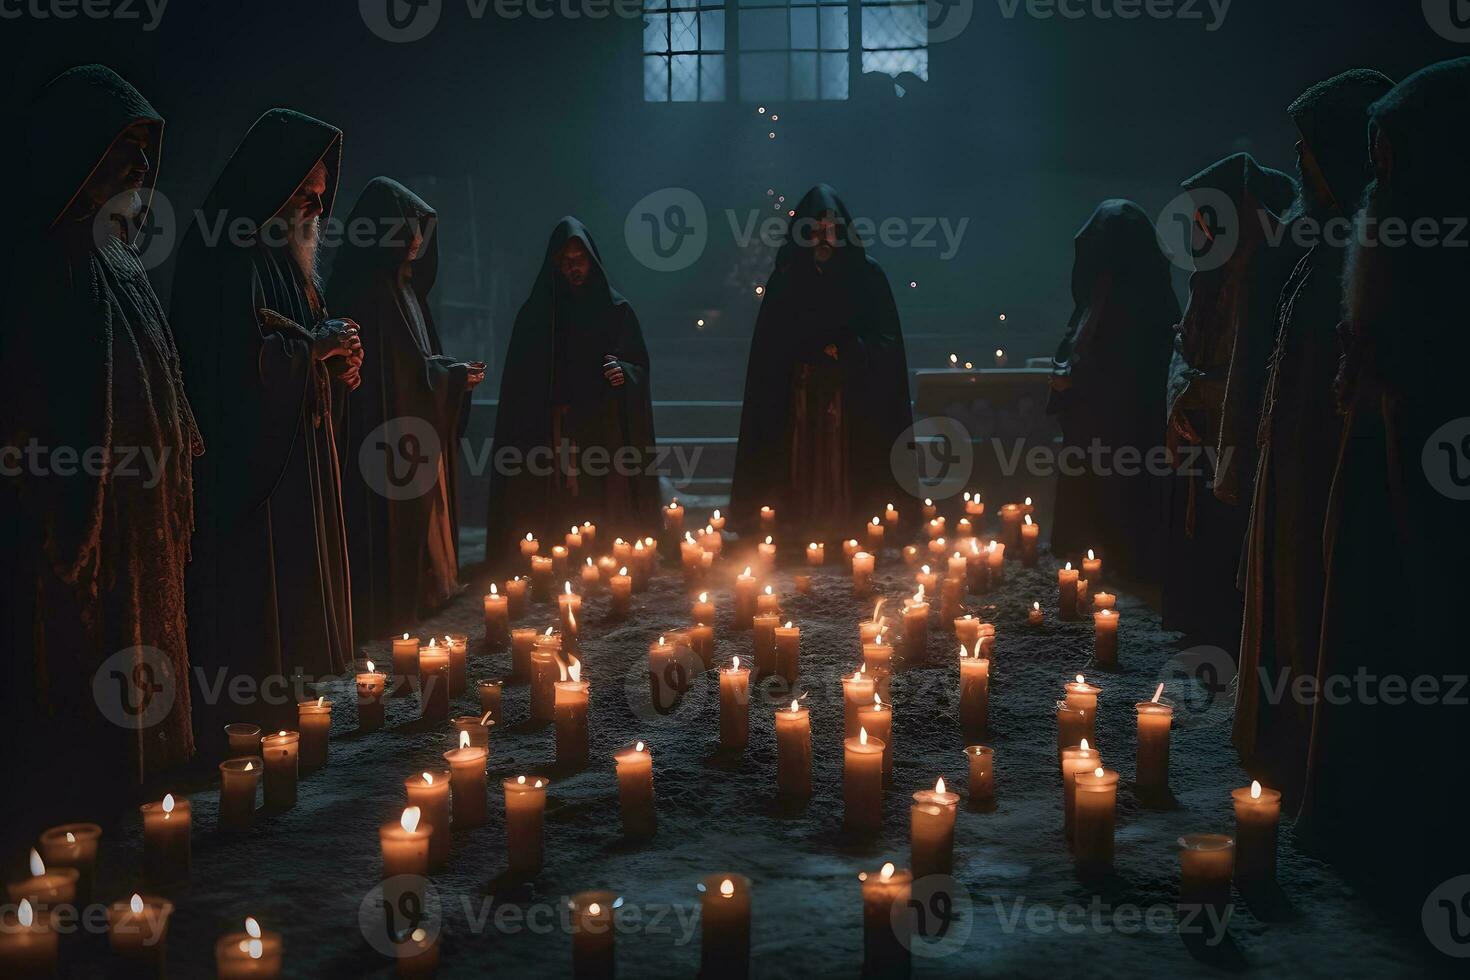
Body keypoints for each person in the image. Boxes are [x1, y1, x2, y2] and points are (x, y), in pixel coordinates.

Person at [0, 65, 201, 839]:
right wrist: (64, 505)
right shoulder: (47, 263)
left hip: (142, 509)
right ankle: (84, 805)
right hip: (86, 521)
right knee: (90, 660)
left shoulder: (116, 257)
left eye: (147, 156)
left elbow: (160, 372)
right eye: (126, 150)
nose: (142, 171)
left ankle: (140, 779)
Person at [1303, 58, 1470, 901]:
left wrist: (1390, 391)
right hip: (1376, 470)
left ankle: (1407, 827)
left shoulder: (1443, 258)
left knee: (1416, 637)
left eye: (1392, 153)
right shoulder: (1391, 234)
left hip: (1424, 498)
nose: (1379, 173)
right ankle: (1359, 804)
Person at [171, 109, 363, 747]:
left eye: (320, 192)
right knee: (263, 593)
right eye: (303, 188)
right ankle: (255, 713)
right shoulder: (227, 253)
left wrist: (336, 361)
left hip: (299, 459)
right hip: (256, 472)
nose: (314, 201)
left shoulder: (288, 257)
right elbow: (231, 366)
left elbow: (300, 340)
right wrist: (313, 349)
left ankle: (299, 697)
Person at [1231, 70, 1394, 799]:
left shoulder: (1366, 261)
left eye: (1307, 152)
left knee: (1316, 613)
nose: (1296, 165)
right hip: (1289, 472)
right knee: (1286, 603)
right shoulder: (1316, 252)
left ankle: (1312, 758)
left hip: (1324, 476)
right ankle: (1283, 743)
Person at [329, 178, 483, 640]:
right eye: (410, 227)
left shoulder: (406, 289)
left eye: (421, 229)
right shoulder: (370, 293)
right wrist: (450, 377)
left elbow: (417, 363)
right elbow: (394, 377)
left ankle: (428, 588)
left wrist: (451, 375)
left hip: (415, 428)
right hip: (383, 436)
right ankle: (392, 603)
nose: (418, 238)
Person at [1163, 154, 1299, 649]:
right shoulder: (1208, 276)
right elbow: (1184, 343)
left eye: (1208, 217)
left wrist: (1206, 390)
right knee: (1197, 527)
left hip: (1234, 428)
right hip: (1198, 421)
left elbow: (1258, 363)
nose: (1201, 228)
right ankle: (1197, 617)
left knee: (1229, 526)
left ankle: (1226, 629)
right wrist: (1183, 391)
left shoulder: (1263, 275)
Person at [730, 184, 913, 540]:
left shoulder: (867, 274)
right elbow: (770, 348)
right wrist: (808, 350)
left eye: (831, 229)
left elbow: (886, 341)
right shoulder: (786, 278)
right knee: (802, 459)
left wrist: (849, 350)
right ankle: (800, 525)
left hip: (851, 396)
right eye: (815, 230)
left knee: (842, 462)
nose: (823, 238)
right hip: (800, 395)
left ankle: (849, 524)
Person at [484, 217, 659, 568]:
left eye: (579, 259)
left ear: (591, 261)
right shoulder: (537, 314)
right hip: (553, 425)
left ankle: (601, 549)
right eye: (565, 261)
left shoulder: (616, 310)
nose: (573, 267)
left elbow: (637, 364)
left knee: (599, 488)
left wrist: (622, 372)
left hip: (601, 425)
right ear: (555, 264)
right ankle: (557, 550)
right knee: (559, 490)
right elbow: (521, 378)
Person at [1047, 200, 1179, 582]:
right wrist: (1067, 374)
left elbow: (1137, 368)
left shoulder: (1146, 297)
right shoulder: (1100, 291)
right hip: (1093, 418)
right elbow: (1081, 342)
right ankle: (1088, 546)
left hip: (1129, 422)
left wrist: (1081, 379)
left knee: (1123, 486)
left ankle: (1124, 555)